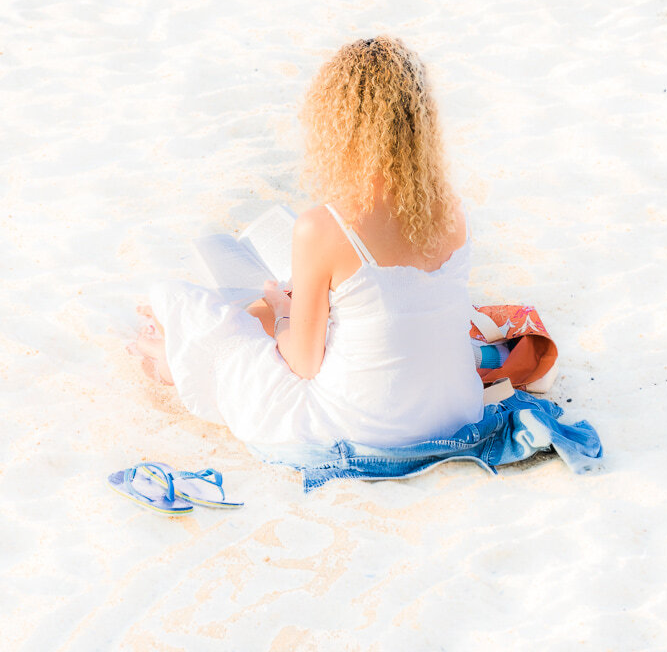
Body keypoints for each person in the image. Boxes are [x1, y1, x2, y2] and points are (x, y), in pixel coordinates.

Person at [131, 36, 485, 455]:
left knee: (192, 309)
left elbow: (303, 363)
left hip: (368, 427)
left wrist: (284, 312)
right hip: (460, 412)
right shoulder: (453, 212)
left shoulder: (324, 226)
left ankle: (174, 354)